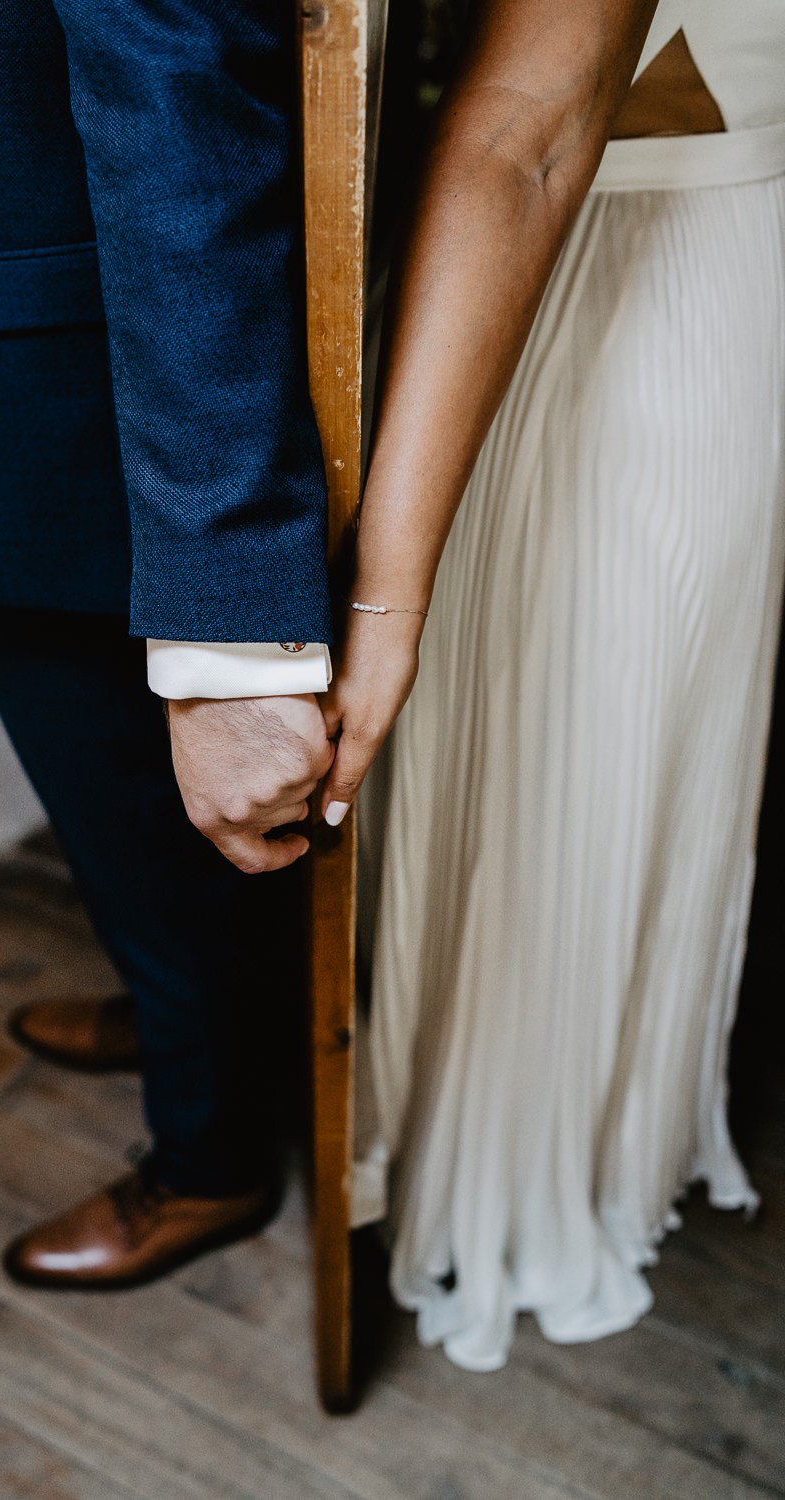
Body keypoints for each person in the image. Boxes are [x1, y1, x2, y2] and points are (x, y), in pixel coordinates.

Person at [0, 0, 338, 1288]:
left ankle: (212, 1157)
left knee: (138, 772)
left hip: (79, 324)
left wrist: (228, 633)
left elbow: (175, 64)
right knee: (105, 784)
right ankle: (183, 1016)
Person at [323, 0, 785, 1368]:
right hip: (590, 243)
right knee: (526, 751)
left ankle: (534, 1160)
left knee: (582, 753)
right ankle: (438, 1115)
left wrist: (383, 598)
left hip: (632, 271)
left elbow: (524, 130)